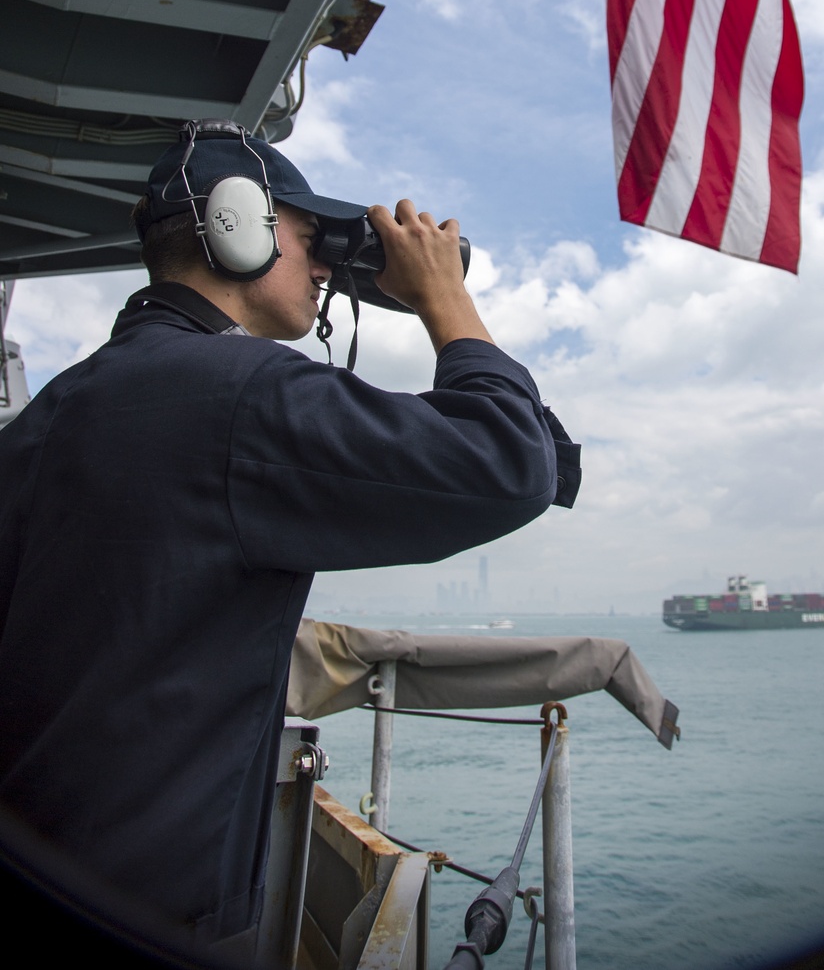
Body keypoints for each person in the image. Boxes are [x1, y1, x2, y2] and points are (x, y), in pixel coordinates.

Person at [0, 122, 578, 951]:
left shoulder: (49, 414)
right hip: (150, 916)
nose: (320, 272)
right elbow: (509, 464)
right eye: (309, 242)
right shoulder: (238, 395)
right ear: (239, 225)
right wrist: (442, 297)